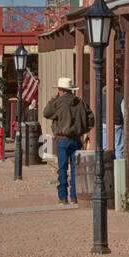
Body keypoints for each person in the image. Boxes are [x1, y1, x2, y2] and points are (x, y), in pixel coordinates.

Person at [42, 77, 94, 206]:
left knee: (62, 169)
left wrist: (52, 99)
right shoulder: (81, 103)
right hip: (76, 139)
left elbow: (46, 113)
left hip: (62, 139)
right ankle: (74, 196)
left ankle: (62, 197)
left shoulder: (58, 103)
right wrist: (83, 130)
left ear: (61, 90)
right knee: (76, 169)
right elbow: (91, 120)